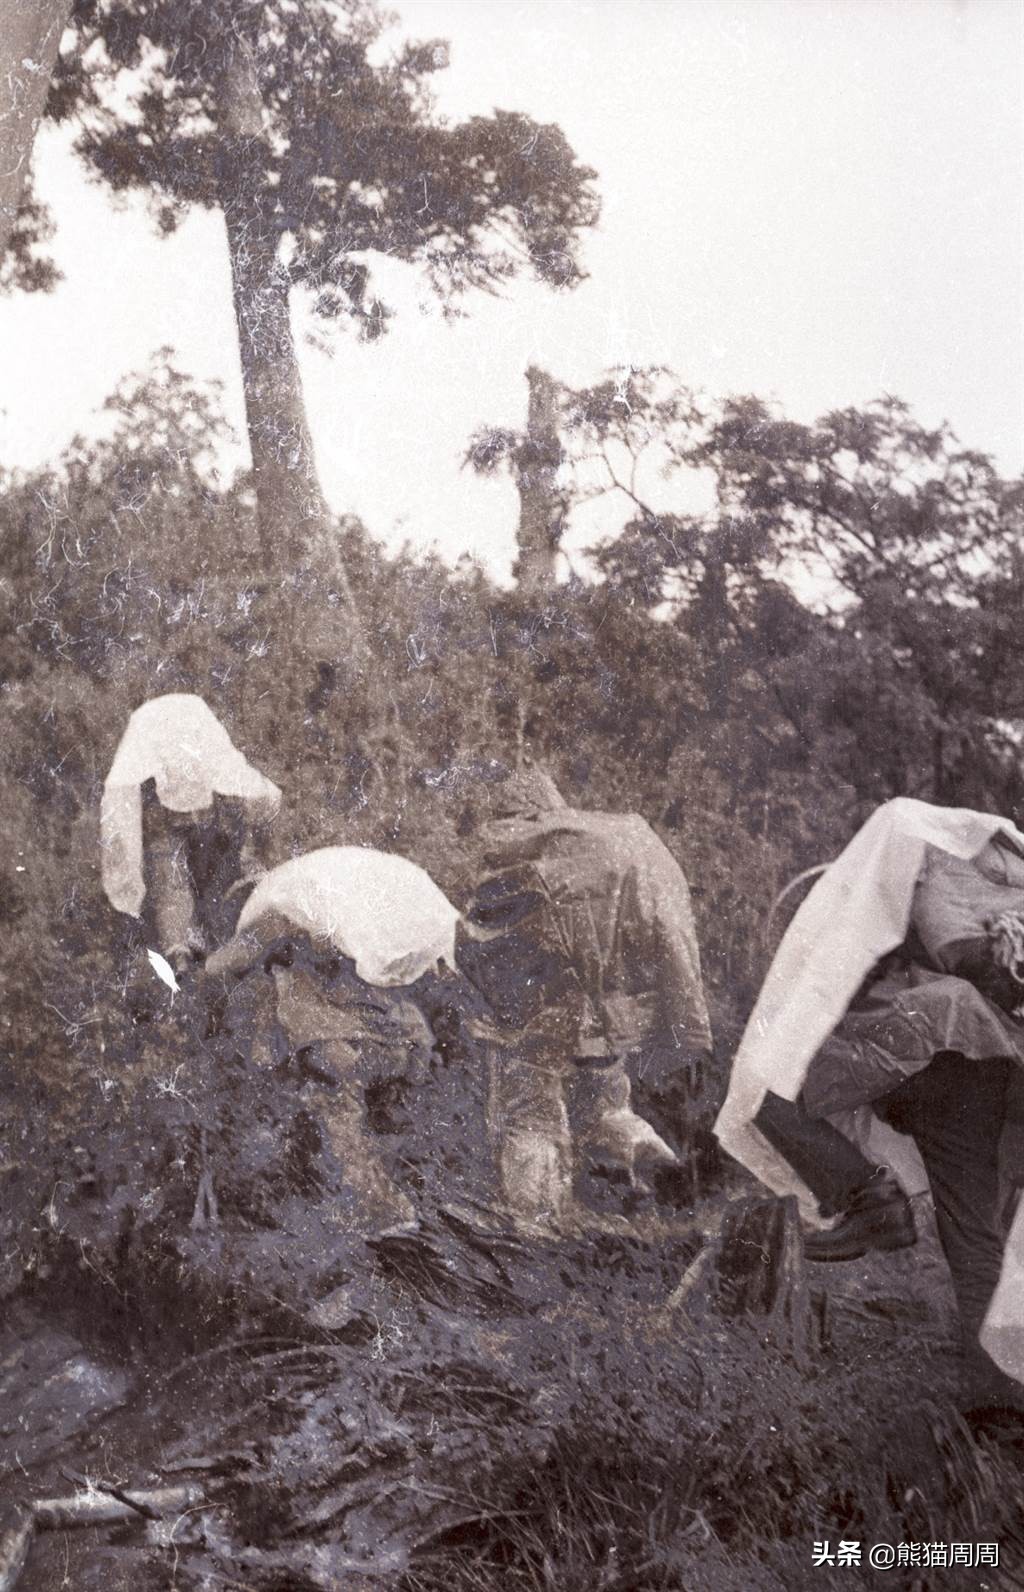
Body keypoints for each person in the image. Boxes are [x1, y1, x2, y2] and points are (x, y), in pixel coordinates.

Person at [717, 798, 1024, 1417]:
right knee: (978, 1230)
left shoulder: (923, 854)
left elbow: (956, 955)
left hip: (950, 1053)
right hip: (997, 1061)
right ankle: (1001, 1398)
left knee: (763, 1090)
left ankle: (870, 1199)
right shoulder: (1007, 870)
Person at [460, 765, 713, 1226]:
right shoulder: (599, 852)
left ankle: (536, 1220)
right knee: (606, 1101)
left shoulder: (521, 861)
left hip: (545, 1012)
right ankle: (637, 1143)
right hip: (606, 1014)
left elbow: (491, 949)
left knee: (529, 1112)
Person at [206, 845, 464, 1231]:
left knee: (337, 1109)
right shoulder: (353, 927)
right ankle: (404, 1196)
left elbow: (222, 965)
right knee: (368, 1118)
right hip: (396, 1044)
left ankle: (378, 1208)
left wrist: (199, 975)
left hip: (339, 1046)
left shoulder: (281, 916)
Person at [101, 693, 281, 973]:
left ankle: (192, 945)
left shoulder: (161, 720)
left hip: (184, 812)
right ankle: (185, 948)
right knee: (176, 876)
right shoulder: (177, 718)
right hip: (174, 810)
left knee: (184, 877)